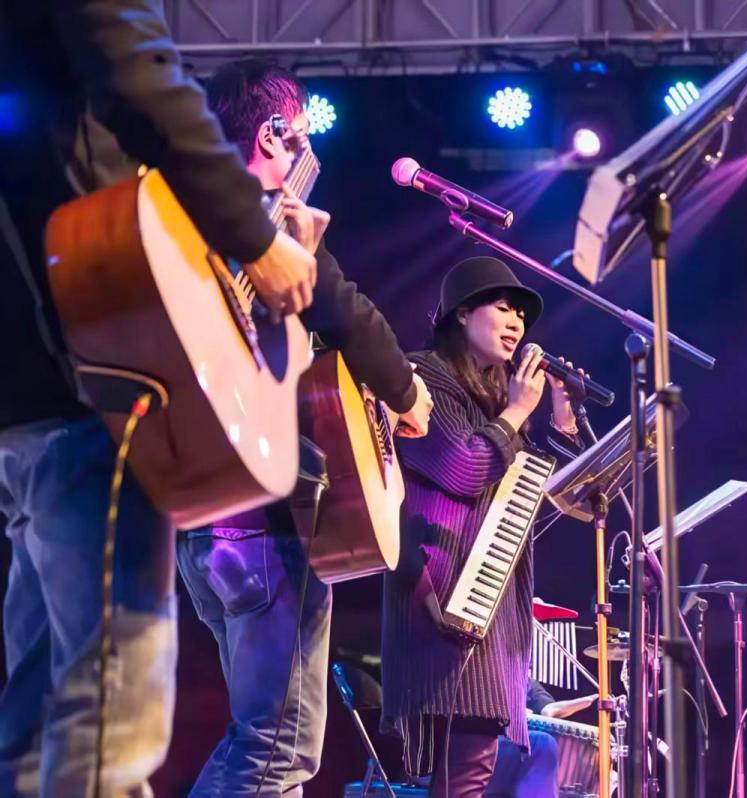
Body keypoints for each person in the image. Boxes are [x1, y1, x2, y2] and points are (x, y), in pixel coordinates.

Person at [0, 4, 317, 796]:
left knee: (36, 717)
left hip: (30, 386)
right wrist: (256, 237)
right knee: (109, 714)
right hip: (97, 366)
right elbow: (138, 74)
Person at [174, 59, 433, 797]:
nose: (307, 154)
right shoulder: (263, 226)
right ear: (271, 134)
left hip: (204, 529)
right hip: (265, 525)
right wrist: (407, 392)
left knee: (257, 740)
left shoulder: (182, 224)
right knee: (279, 750)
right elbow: (345, 310)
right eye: (301, 137)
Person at [380, 256, 583, 798]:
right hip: (443, 599)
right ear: (463, 313)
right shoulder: (423, 376)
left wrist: (561, 424)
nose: (517, 321)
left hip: (491, 608)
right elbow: (464, 468)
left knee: (473, 770)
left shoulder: (497, 398)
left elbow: (537, 499)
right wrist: (517, 412)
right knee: (467, 772)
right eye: (503, 307)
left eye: (522, 314)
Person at [484, 681, 598, 798]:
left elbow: (549, 709)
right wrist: (512, 711)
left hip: (511, 748)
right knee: (541, 742)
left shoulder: (523, 680)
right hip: (484, 742)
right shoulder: (485, 673)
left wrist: (582, 702)